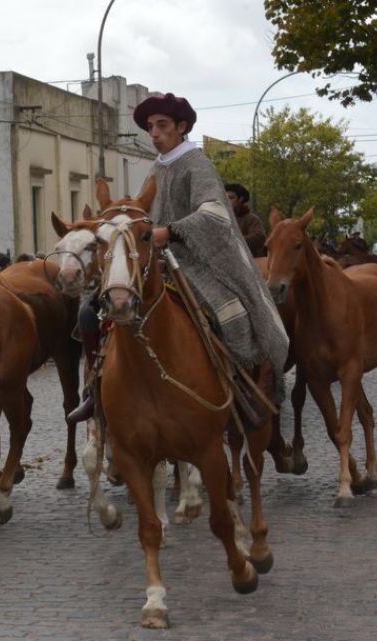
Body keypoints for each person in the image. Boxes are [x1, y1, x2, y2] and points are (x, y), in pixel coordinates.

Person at [69, 91, 288, 423]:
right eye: (150, 127)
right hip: (155, 262)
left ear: (181, 126)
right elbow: (144, 211)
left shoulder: (196, 163)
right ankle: (95, 388)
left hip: (200, 262)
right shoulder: (158, 168)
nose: (154, 133)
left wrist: (168, 231)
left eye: (162, 125)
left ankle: (240, 387)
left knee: (225, 313)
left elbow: (215, 214)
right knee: (90, 311)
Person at [224, 183, 267, 258]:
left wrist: (234, 241)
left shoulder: (251, 219)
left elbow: (259, 237)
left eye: (231, 198)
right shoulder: (222, 218)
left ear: (241, 199)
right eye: (225, 198)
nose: (227, 201)